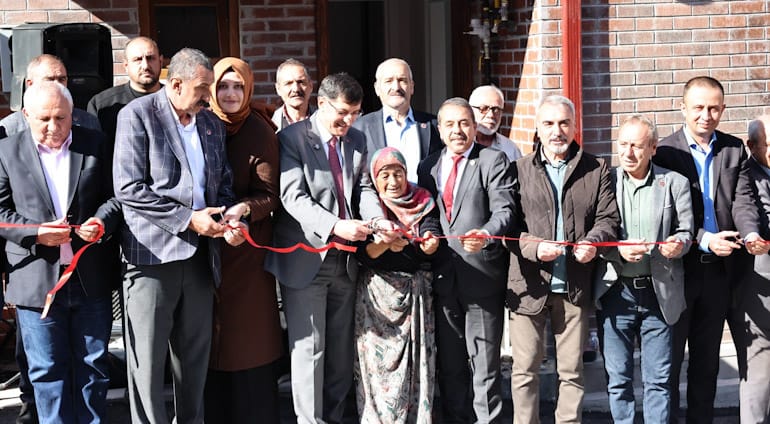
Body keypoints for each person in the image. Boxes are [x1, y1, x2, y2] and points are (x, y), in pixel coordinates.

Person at [113, 47, 245, 423]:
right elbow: (129, 188)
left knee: (193, 361)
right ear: (175, 84)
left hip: (202, 257)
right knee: (147, 363)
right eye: (202, 89)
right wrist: (188, 220)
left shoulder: (211, 124)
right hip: (151, 259)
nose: (209, 97)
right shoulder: (137, 115)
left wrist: (230, 219)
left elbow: (222, 184)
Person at [264, 72, 386, 424]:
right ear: (321, 103)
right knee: (310, 351)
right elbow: (293, 197)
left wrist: (377, 221)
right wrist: (335, 225)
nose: (348, 121)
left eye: (355, 113)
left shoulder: (357, 139)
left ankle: (334, 417)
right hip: (306, 258)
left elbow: (364, 188)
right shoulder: (291, 138)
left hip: (346, 261)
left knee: (340, 353)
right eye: (342, 113)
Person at [0, 82, 121, 423]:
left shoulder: (94, 144)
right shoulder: (6, 151)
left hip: (89, 279)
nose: (53, 127)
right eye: (44, 119)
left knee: (94, 368)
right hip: (37, 281)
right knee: (46, 372)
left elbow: (117, 196)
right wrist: (36, 233)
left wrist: (102, 221)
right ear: (26, 115)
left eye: (61, 118)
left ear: (73, 115)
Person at [651, 76, 764, 423]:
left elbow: (743, 200)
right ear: (682, 108)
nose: (706, 115)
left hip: (718, 273)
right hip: (678, 271)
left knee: (706, 365)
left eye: (714, 108)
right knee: (668, 366)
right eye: (698, 107)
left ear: (723, 109)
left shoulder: (733, 148)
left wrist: (750, 233)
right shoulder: (666, 152)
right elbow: (666, 216)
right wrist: (703, 237)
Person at [506, 94, 619, 423]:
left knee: (571, 372)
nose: (557, 131)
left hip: (574, 285)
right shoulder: (518, 170)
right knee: (525, 371)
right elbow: (508, 226)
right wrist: (533, 248)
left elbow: (608, 219)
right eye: (549, 123)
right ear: (537, 128)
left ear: (575, 126)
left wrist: (593, 242)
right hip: (528, 286)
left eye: (564, 123)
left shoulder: (596, 169)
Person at [417, 97, 515, 423]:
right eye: (450, 124)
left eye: (464, 123)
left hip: (481, 278)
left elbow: (505, 210)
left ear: (474, 127)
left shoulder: (492, 160)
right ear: (439, 129)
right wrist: (428, 235)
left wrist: (486, 233)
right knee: (451, 368)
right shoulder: (428, 166)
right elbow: (429, 216)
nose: (457, 130)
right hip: (443, 279)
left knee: (485, 367)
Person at [593, 115, 693, 423]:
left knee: (658, 381)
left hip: (658, 292)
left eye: (637, 146)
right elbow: (594, 231)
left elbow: (686, 231)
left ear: (653, 148)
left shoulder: (674, 182)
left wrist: (678, 244)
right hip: (616, 291)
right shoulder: (605, 181)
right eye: (623, 144)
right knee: (618, 380)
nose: (628, 153)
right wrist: (617, 249)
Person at [204, 57, 283, 423]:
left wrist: (244, 210)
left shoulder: (258, 131)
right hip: (206, 248)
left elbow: (270, 195)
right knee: (210, 342)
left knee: (247, 341)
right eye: (223, 86)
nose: (231, 93)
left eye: (238, 86)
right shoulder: (202, 123)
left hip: (245, 253)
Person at [354, 147, 440, 423]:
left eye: (398, 174)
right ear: (374, 178)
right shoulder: (369, 206)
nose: (393, 182)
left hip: (415, 297)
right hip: (376, 300)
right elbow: (362, 253)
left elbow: (432, 232)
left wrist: (429, 243)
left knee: (415, 366)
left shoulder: (422, 200)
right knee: (377, 369)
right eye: (385, 175)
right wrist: (384, 244)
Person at [354, 58, 442, 183]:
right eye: (388, 81)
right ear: (377, 89)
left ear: (412, 87)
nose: (396, 87)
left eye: (402, 80)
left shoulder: (433, 125)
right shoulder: (359, 128)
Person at [734, 115, 770, 423]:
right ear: (752, 146)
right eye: (769, 145)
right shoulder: (747, 178)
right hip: (762, 288)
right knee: (759, 372)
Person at [0, 54, 101, 134]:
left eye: (62, 79)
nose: (57, 85)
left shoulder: (87, 122)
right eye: (49, 79)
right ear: (30, 84)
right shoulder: (9, 129)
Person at [87, 36, 163, 143]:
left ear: (161, 61)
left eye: (150, 58)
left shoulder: (176, 101)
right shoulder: (102, 105)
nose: (145, 66)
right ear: (126, 65)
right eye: (138, 59)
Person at [468, 84, 523, 162]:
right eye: (483, 108)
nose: (491, 115)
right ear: (470, 110)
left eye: (496, 109)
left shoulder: (510, 149)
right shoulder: (461, 145)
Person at [271, 58, 315, 131]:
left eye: (300, 82)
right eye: (288, 83)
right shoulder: (269, 124)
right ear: (278, 89)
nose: (296, 89)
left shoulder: (325, 120)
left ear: (310, 86)